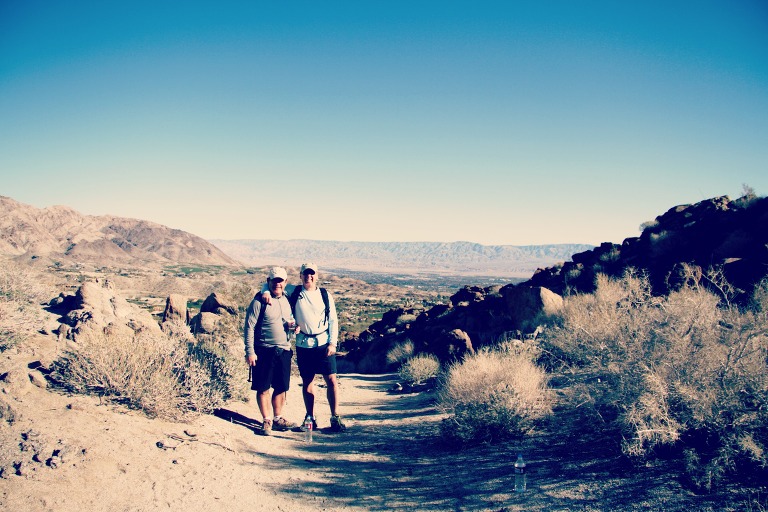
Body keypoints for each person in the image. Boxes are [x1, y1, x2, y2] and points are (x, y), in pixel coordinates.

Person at [261, 262, 346, 432]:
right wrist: (264, 292)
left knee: (331, 380)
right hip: (303, 344)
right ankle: (310, 418)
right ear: (300, 276)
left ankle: (335, 417)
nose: (309, 276)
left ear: (317, 275)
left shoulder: (324, 294)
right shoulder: (294, 291)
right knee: (308, 382)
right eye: (305, 274)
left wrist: (332, 343)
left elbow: (333, 320)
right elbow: (270, 283)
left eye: (311, 273)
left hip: (323, 343)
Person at [243, 267, 298, 436]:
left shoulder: (287, 300)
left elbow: (290, 321)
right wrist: (250, 351)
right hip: (264, 350)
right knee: (263, 387)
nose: (278, 284)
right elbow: (249, 327)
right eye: (274, 281)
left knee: (281, 387)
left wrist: (292, 327)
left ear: (285, 283)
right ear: (268, 281)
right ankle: (266, 419)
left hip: (284, 350)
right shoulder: (259, 301)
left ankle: (278, 418)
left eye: (281, 281)